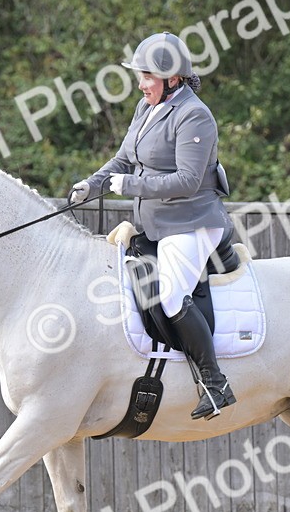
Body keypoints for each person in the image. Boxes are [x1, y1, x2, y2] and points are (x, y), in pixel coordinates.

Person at [70, 32, 235, 420]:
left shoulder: (195, 116)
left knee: (173, 296)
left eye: (147, 76)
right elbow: (123, 159)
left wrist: (129, 187)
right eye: (140, 75)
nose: (141, 83)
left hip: (192, 223)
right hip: (158, 224)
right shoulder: (146, 109)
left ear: (172, 79)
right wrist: (92, 184)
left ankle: (215, 384)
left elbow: (187, 181)